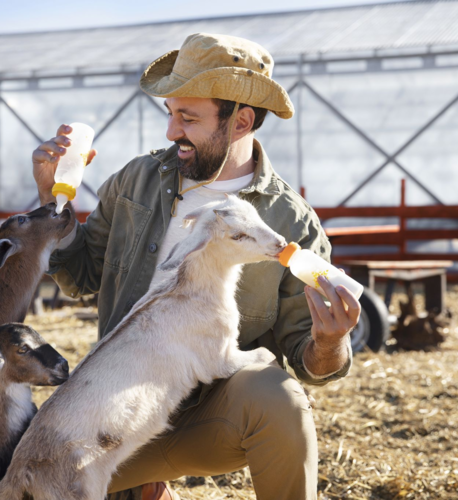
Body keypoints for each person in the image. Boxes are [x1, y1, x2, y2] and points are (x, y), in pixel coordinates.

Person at [33, 33, 361, 500]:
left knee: (280, 399)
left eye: (188, 118)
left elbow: (312, 364)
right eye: (170, 114)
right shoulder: (135, 182)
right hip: (120, 415)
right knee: (6, 469)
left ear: (241, 121)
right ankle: (144, 490)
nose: (172, 132)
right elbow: (80, 277)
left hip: (211, 414)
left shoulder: (289, 222)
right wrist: (53, 199)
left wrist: (331, 342)